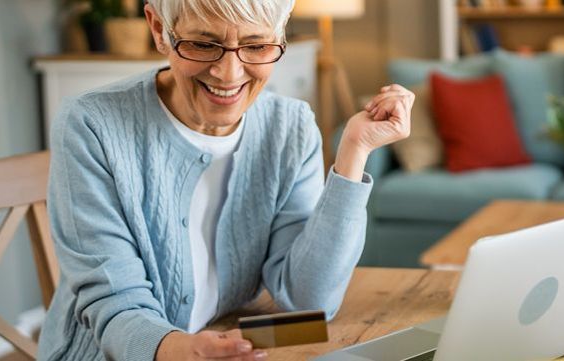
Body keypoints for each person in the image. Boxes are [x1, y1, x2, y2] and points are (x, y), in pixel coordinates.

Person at [36, 0, 413, 359]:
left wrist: (353, 152)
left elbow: (310, 301)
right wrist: (182, 351)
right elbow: (115, 304)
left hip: (224, 338)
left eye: (256, 45)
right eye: (202, 43)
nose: (229, 73)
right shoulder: (91, 125)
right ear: (159, 28)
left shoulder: (290, 127)